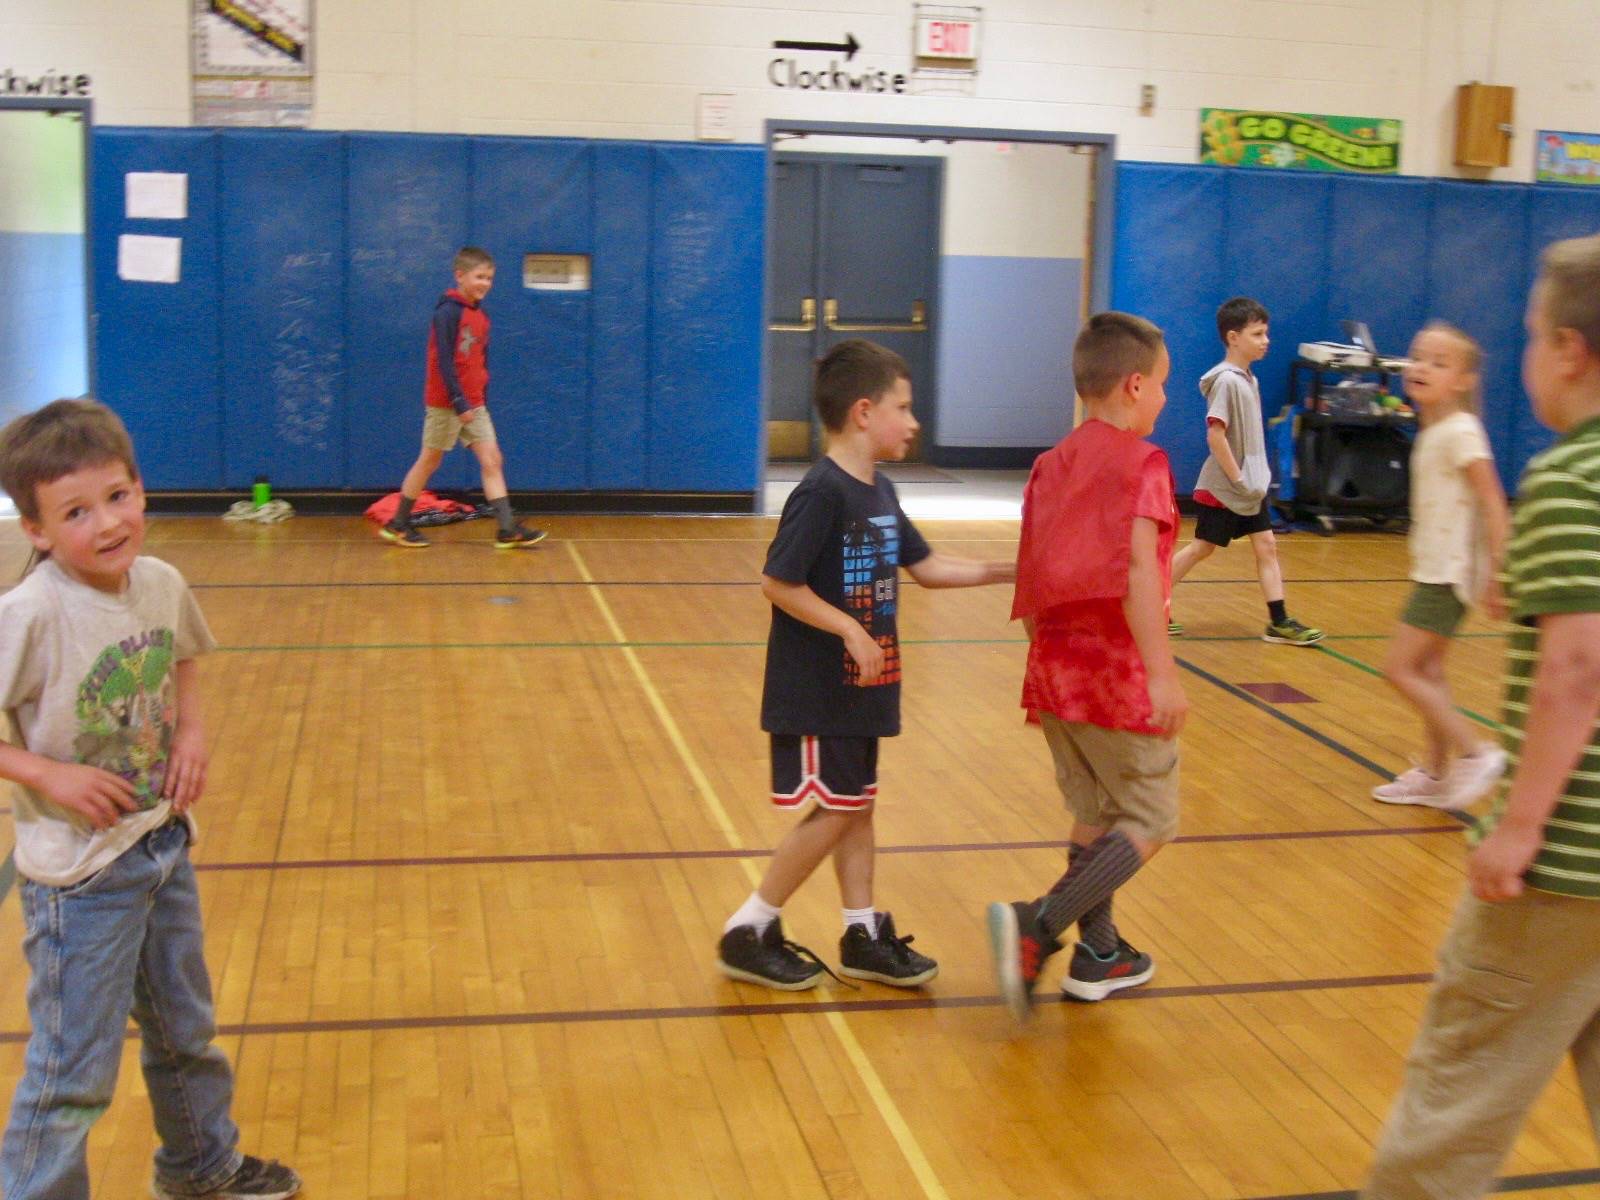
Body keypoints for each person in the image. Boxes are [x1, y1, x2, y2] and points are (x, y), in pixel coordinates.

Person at [0, 399, 300, 1200]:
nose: (106, 523)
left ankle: (201, 1167)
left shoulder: (161, 583)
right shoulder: (29, 613)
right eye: (75, 512)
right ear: (35, 530)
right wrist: (45, 773)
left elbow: (187, 660)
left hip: (160, 846)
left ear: (140, 488)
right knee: (73, 1075)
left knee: (185, 1033)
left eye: (119, 496)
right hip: (79, 880)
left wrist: (193, 734)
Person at [1361, 233, 1600, 1199]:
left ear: (1571, 351)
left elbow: (1577, 669)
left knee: (1452, 1108)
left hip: (1564, 868)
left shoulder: (1572, 479)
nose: (1531, 355)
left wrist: (1523, 824)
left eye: (1535, 336)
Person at [716, 339, 1016, 989]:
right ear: (862, 412)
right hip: (820, 690)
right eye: (903, 408)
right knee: (837, 810)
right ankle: (750, 926)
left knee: (857, 806)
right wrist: (849, 627)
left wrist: (1009, 570)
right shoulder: (822, 493)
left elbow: (929, 568)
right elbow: (779, 581)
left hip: (862, 690)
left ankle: (860, 931)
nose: (913, 423)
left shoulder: (879, 490)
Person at [987, 312, 1185, 1021]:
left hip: (1054, 671)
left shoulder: (1049, 465)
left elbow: (1033, 572)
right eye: (1162, 385)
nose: (1166, 399)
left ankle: (1100, 955)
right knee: (1152, 818)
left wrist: (1043, 655)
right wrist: (1161, 673)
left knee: (1095, 813)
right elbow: (1137, 571)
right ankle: (1038, 922)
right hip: (1117, 676)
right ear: (1135, 385)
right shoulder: (1146, 464)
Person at [1372, 322, 1510, 809]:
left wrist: (1497, 572)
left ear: (1465, 380)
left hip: (1447, 575)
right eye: (1418, 357)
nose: (1422, 367)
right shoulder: (1433, 431)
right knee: (1428, 669)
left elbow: (1494, 502)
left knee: (1399, 668)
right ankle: (1435, 771)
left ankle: (1475, 752)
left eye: (1439, 361)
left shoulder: (1461, 431)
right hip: (1433, 569)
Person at [1168, 296, 1323, 645]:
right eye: (1258, 334)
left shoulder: (1248, 379)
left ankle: (1279, 621)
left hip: (1249, 489)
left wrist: (1251, 481)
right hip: (1226, 488)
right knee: (1202, 549)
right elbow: (1215, 435)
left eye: (1266, 333)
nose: (1266, 340)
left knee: (1266, 545)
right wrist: (1237, 478)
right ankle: (1152, 605)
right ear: (1233, 337)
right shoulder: (1226, 382)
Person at [378, 246, 546, 549]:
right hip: (448, 403)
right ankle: (399, 523)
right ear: (460, 275)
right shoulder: (447, 313)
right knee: (430, 460)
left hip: (474, 402)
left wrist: (477, 399)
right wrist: (458, 401)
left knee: (492, 459)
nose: (485, 283)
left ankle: (507, 529)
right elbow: (444, 362)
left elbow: (478, 362)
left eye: (490, 278)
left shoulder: (480, 317)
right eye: (479, 276)